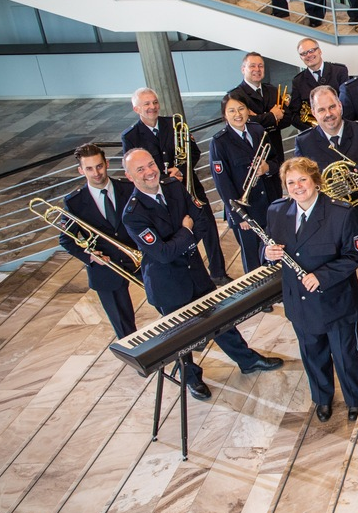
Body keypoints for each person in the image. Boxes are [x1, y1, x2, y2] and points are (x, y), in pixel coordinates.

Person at [121, 148, 283, 401]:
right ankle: (193, 380)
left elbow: (202, 221)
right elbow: (162, 254)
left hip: (196, 273)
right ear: (129, 176)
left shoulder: (173, 186)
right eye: (140, 169)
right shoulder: (133, 214)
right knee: (179, 340)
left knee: (221, 321)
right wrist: (186, 232)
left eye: (151, 164)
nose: (149, 172)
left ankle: (247, 360)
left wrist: (181, 239)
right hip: (168, 285)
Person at [264, 157, 358, 422]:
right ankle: (322, 398)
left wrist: (322, 276)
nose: (297, 187)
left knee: (345, 355)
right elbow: (266, 244)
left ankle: (354, 398)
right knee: (312, 354)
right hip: (299, 301)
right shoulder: (277, 211)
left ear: (315, 181)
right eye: (291, 182)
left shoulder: (341, 213)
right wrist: (267, 252)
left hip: (335, 301)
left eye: (303, 180)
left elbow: (355, 256)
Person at [295, 85, 358, 328]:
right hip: (329, 217)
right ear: (314, 114)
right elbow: (302, 179)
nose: (328, 113)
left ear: (340, 106)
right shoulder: (305, 142)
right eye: (321, 110)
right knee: (338, 264)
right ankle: (350, 307)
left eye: (332, 107)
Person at [120, 87, 229, 284]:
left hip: (188, 184)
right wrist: (164, 177)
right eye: (147, 104)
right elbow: (137, 169)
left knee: (208, 226)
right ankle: (189, 271)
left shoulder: (175, 123)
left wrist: (179, 169)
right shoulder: (130, 136)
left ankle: (218, 272)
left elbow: (193, 153)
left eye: (154, 102)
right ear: (136, 109)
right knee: (176, 230)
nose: (152, 107)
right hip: (163, 191)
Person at [59, 143, 139, 339]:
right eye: (89, 168)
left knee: (167, 302)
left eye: (99, 166)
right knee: (123, 324)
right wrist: (90, 257)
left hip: (140, 258)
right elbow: (66, 240)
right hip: (105, 267)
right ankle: (140, 361)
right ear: (81, 170)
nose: (96, 173)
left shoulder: (129, 188)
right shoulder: (74, 202)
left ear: (107, 164)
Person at [210, 92, 281, 273]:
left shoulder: (258, 130)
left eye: (241, 109)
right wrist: (241, 216)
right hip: (246, 212)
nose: (238, 114)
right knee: (253, 258)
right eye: (231, 110)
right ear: (224, 115)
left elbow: (276, 161)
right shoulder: (219, 142)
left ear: (248, 110)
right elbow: (223, 184)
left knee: (273, 250)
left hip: (269, 204)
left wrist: (267, 168)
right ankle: (260, 298)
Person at [230, 52, 292, 168]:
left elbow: (288, 118)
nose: (257, 69)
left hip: (275, 151)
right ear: (243, 69)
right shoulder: (235, 96)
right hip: (253, 155)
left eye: (261, 66)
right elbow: (243, 124)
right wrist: (272, 116)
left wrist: (257, 118)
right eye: (252, 66)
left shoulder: (272, 90)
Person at [287, 38, 349, 130]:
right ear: (301, 57)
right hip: (315, 134)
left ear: (319, 51)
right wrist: (312, 130)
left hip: (342, 127)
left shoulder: (339, 71)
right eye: (304, 53)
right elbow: (293, 113)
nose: (308, 55)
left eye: (311, 51)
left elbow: (347, 103)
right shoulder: (298, 81)